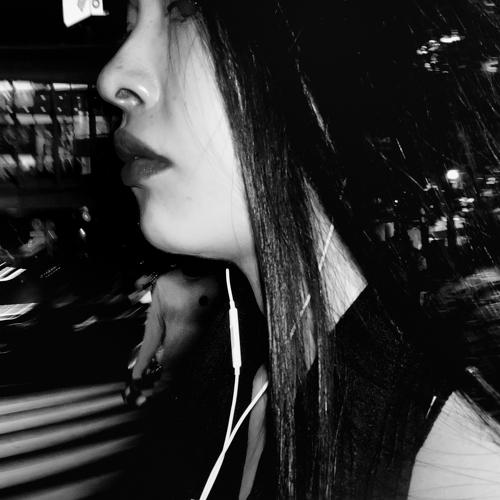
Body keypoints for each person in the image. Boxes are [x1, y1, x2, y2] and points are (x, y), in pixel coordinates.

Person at [96, 0, 500, 498]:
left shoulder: (459, 469)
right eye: (129, 24)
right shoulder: (228, 386)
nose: (113, 77)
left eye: (185, 8)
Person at [124, 260, 224, 406]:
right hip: (176, 366)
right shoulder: (164, 283)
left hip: (197, 368)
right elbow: (154, 330)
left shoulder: (218, 284)